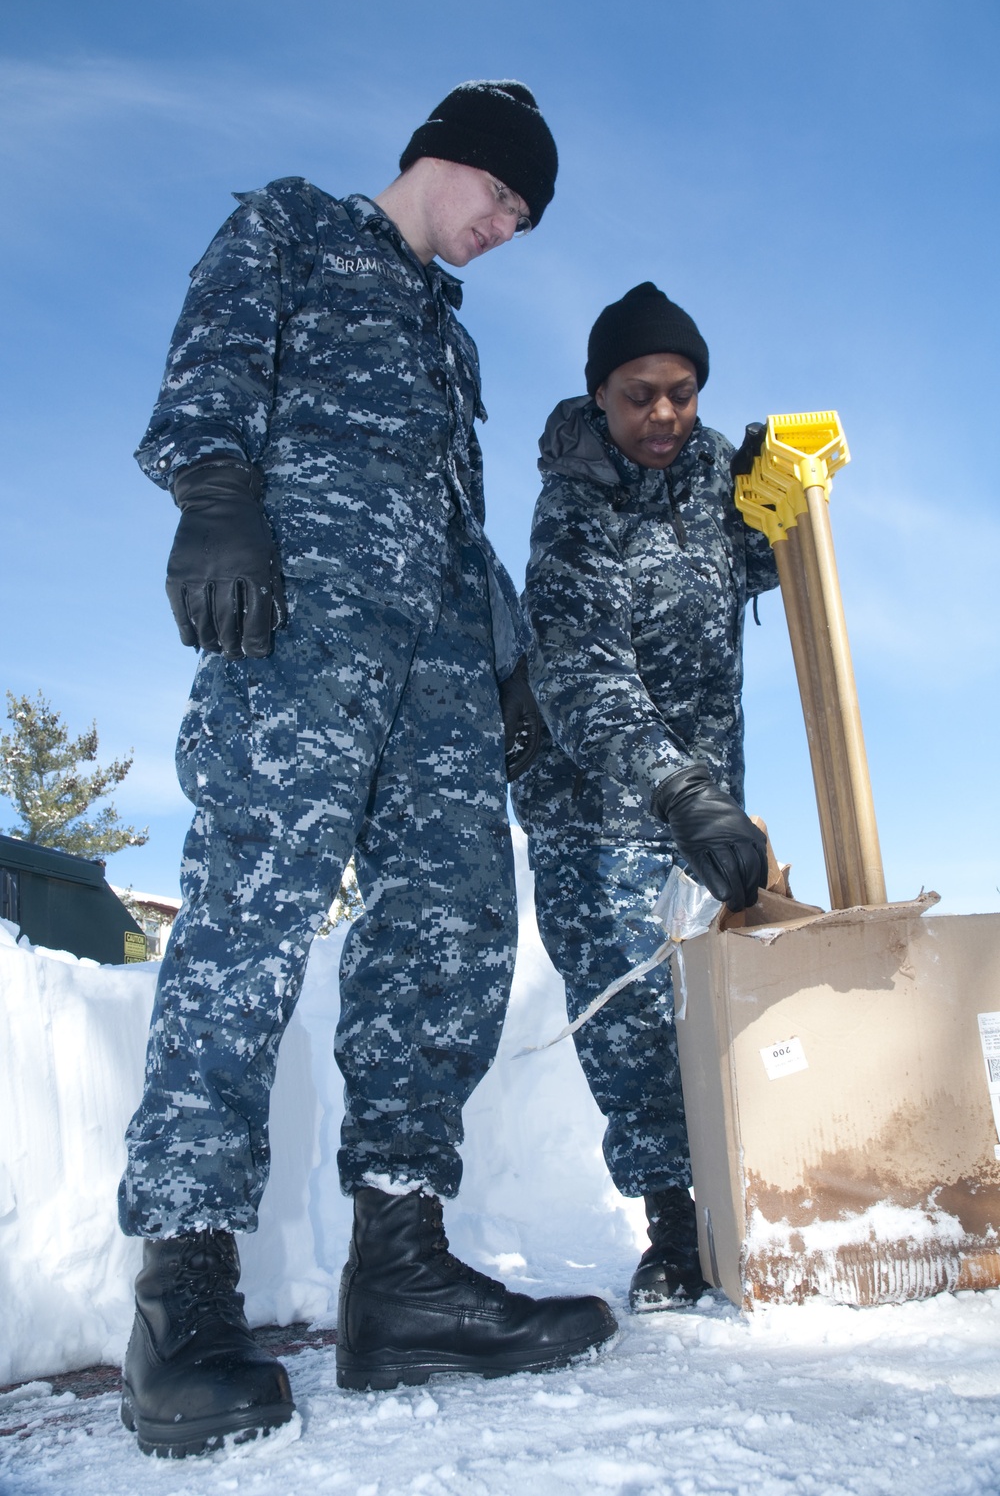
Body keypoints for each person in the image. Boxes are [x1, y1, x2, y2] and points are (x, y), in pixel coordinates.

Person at [119, 81, 616, 1460]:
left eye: (523, 218)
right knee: (248, 925)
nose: (506, 230)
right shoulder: (294, 230)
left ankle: (401, 1275)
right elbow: (210, 363)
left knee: (454, 924)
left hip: (440, 671)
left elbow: (459, 522)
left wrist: (507, 663)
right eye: (503, 201)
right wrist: (216, 499)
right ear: (446, 158)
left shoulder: (448, 344)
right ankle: (185, 1296)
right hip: (299, 631)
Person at [512, 282, 778, 1313]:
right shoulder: (574, 503)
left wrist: (770, 506)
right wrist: (682, 793)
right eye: (638, 397)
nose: (663, 416)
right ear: (598, 396)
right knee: (633, 1036)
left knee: (712, 1016)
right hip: (600, 813)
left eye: (681, 393)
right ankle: (673, 1229)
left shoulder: (707, 470)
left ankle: (745, 1208)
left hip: (696, 804)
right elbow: (580, 671)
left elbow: (745, 573)